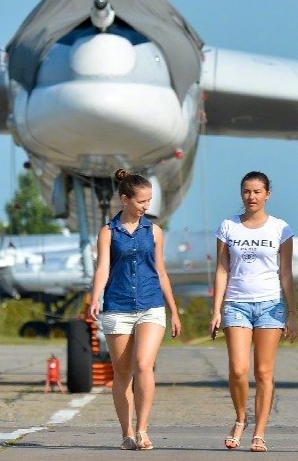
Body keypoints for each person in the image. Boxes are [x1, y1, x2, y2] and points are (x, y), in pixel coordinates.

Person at [88, 169, 182, 451]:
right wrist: (95, 298)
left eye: (149, 201)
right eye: (141, 201)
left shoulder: (154, 232)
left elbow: (161, 271)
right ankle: (127, 432)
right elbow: (103, 268)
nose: (146, 206)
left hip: (151, 305)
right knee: (123, 373)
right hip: (117, 306)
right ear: (125, 199)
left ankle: (142, 429)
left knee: (143, 365)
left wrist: (174, 310)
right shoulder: (108, 232)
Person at [209, 171, 298, 453]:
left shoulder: (281, 229)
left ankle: (259, 432)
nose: (252, 197)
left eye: (258, 191)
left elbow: (286, 273)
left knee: (263, 372)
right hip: (236, 304)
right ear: (241, 193)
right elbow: (222, 269)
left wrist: (292, 312)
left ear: (267, 194)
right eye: (247, 191)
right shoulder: (228, 226)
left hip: (270, 305)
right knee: (238, 369)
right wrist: (216, 309)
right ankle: (240, 419)